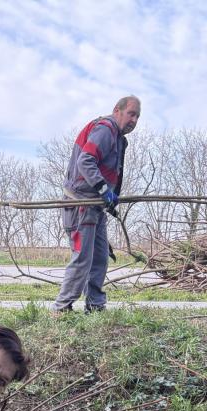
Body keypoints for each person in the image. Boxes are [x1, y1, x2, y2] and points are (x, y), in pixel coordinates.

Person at [53, 96, 141, 315]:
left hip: (96, 206)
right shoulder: (105, 129)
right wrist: (103, 189)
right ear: (117, 110)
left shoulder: (119, 138)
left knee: (100, 257)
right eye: (131, 114)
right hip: (81, 203)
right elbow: (85, 161)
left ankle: (95, 306)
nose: (134, 120)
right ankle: (61, 308)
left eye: (137, 117)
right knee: (83, 258)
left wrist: (110, 198)